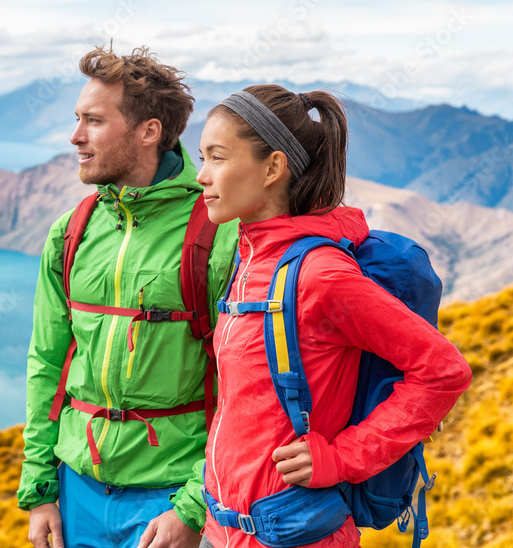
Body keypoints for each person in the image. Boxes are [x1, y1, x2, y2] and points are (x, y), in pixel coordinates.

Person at [195, 85, 473, 548]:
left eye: (217, 158)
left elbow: (444, 371)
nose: (202, 176)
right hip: (221, 528)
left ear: (273, 168)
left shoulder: (321, 275)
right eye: (202, 157)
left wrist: (341, 459)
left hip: (294, 535)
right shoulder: (250, 258)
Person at [17, 46, 239, 548]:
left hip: (172, 497)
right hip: (77, 493)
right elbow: (46, 364)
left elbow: (243, 389)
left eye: (93, 121)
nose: (75, 137)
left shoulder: (218, 234)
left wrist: (193, 506)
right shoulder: (71, 232)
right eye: (77, 119)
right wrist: (40, 490)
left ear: (149, 132)